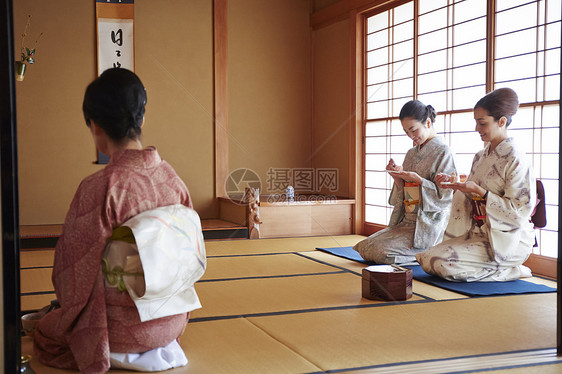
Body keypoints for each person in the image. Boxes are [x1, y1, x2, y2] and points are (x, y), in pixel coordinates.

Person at [33, 68, 199, 373]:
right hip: (172, 321)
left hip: (118, 331)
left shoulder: (99, 188)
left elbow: (71, 272)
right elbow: (187, 259)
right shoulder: (173, 181)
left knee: (45, 331)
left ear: (95, 127)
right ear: (142, 120)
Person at [416, 87, 535, 282]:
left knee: (442, 263)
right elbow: (472, 195)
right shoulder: (480, 156)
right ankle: (498, 268)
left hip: (507, 239)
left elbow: (520, 210)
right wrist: (456, 186)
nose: (477, 129)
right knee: (427, 258)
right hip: (479, 233)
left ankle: (511, 270)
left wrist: (481, 192)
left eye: (482, 123)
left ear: (502, 121)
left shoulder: (516, 158)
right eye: (476, 123)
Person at [353, 100, 457, 264]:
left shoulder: (443, 152)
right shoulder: (411, 153)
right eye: (406, 132)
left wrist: (419, 180)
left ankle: (428, 250)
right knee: (364, 246)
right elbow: (404, 194)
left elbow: (445, 197)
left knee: (380, 252)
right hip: (407, 220)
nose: (411, 136)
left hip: (428, 225)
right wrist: (397, 177)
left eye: (413, 130)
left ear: (428, 123)